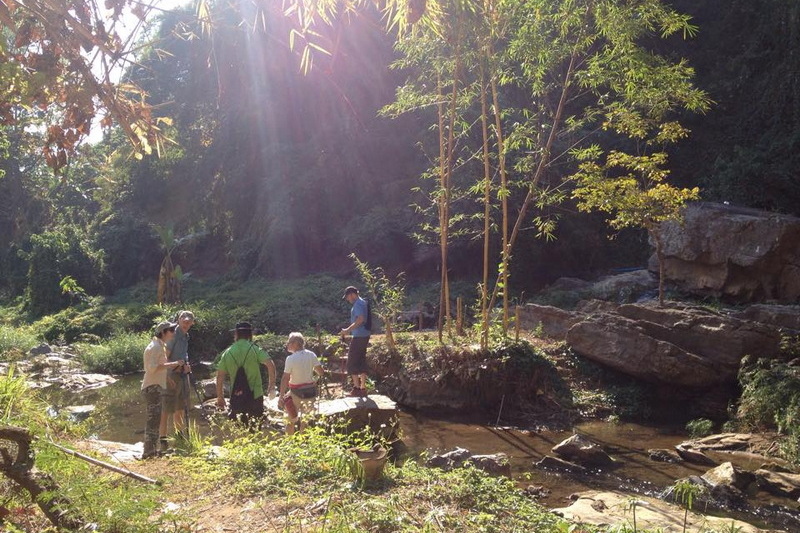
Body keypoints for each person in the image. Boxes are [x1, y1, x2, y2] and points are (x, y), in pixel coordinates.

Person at [215, 322, 277, 425]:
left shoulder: (228, 352)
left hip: (236, 395)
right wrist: (271, 385)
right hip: (255, 395)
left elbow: (220, 376)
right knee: (255, 428)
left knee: (238, 430)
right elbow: (270, 364)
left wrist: (220, 397)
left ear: (236, 334)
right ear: (250, 334)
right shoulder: (254, 349)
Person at [141, 321, 184, 459]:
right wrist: (174, 364)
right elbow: (152, 368)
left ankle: (151, 451)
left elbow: (157, 368)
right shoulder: (155, 347)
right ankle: (148, 452)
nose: (173, 332)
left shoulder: (159, 346)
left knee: (155, 419)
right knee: (153, 420)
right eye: (171, 330)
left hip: (155, 386)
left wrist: (168, 380)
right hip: (152, 388)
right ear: (163, 332)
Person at [160, 310, 194, 446]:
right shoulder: (173, 335)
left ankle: (179, 437)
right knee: (166, 408)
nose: (186, 322)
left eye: (188, 321)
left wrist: (186, 365)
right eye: (183, 320)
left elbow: (183, 355)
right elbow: (164, 357)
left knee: (180, 407)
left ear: (192, 323)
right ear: (178, 320)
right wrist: (176, 367)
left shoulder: (186, 336)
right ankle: (162, 439)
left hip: (181, 375)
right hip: (170, 376)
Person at [279, 332, 324, 435]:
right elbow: (321, 372)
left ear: (295, 343)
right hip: (310, 392)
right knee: (305, 421)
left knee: (289, 421)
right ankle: (303, 443)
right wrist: (314, 381)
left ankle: (289, 443)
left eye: (289, 342)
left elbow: (285, 378)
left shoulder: (290, 359)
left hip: (295, 393)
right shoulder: (311, 355)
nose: (287, 344)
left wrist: (281, 395)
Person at [340, 286, 371, 397]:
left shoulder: (358, 304)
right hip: (365, 335)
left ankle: (356, 389)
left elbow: (360, 319)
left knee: (352, 362)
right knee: (361, 360)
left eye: (348, 297)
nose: (348, 299)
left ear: (352, 294)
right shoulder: (363, 302)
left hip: (359, 336)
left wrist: (347, 330)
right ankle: (363, 388)